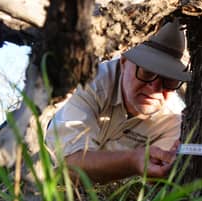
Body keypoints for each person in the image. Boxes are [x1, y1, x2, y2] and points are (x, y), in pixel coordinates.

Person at [45, 20, 191, 184]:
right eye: (147, 72)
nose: (155, 87)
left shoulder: (173, 122)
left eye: (169, 80)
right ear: (123, 62)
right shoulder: (88, 83)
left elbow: (153, 180)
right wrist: (132, 161)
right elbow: (69, 165)